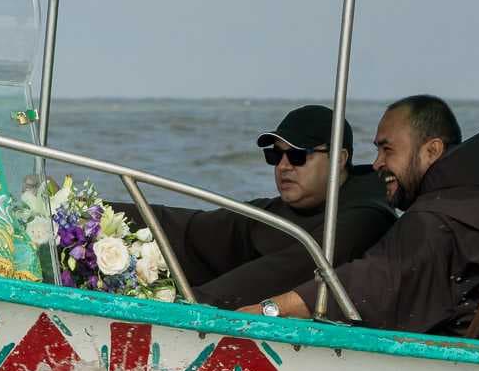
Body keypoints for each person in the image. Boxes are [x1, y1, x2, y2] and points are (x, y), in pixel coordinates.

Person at [241, 96, 479, 337]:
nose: (377, 163)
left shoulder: (442, 215)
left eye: (387, 150)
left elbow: (379, 279)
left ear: (431, 151)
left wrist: (272, 309)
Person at [114, 105, 395, 309]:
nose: (283, 166)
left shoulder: (366, 216)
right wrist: (103, 216)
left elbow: (288, 269)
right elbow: (192, 229)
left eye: (298, 156)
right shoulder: (279, 211)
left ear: (340, 159)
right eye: (275, 155)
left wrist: (193, 303)